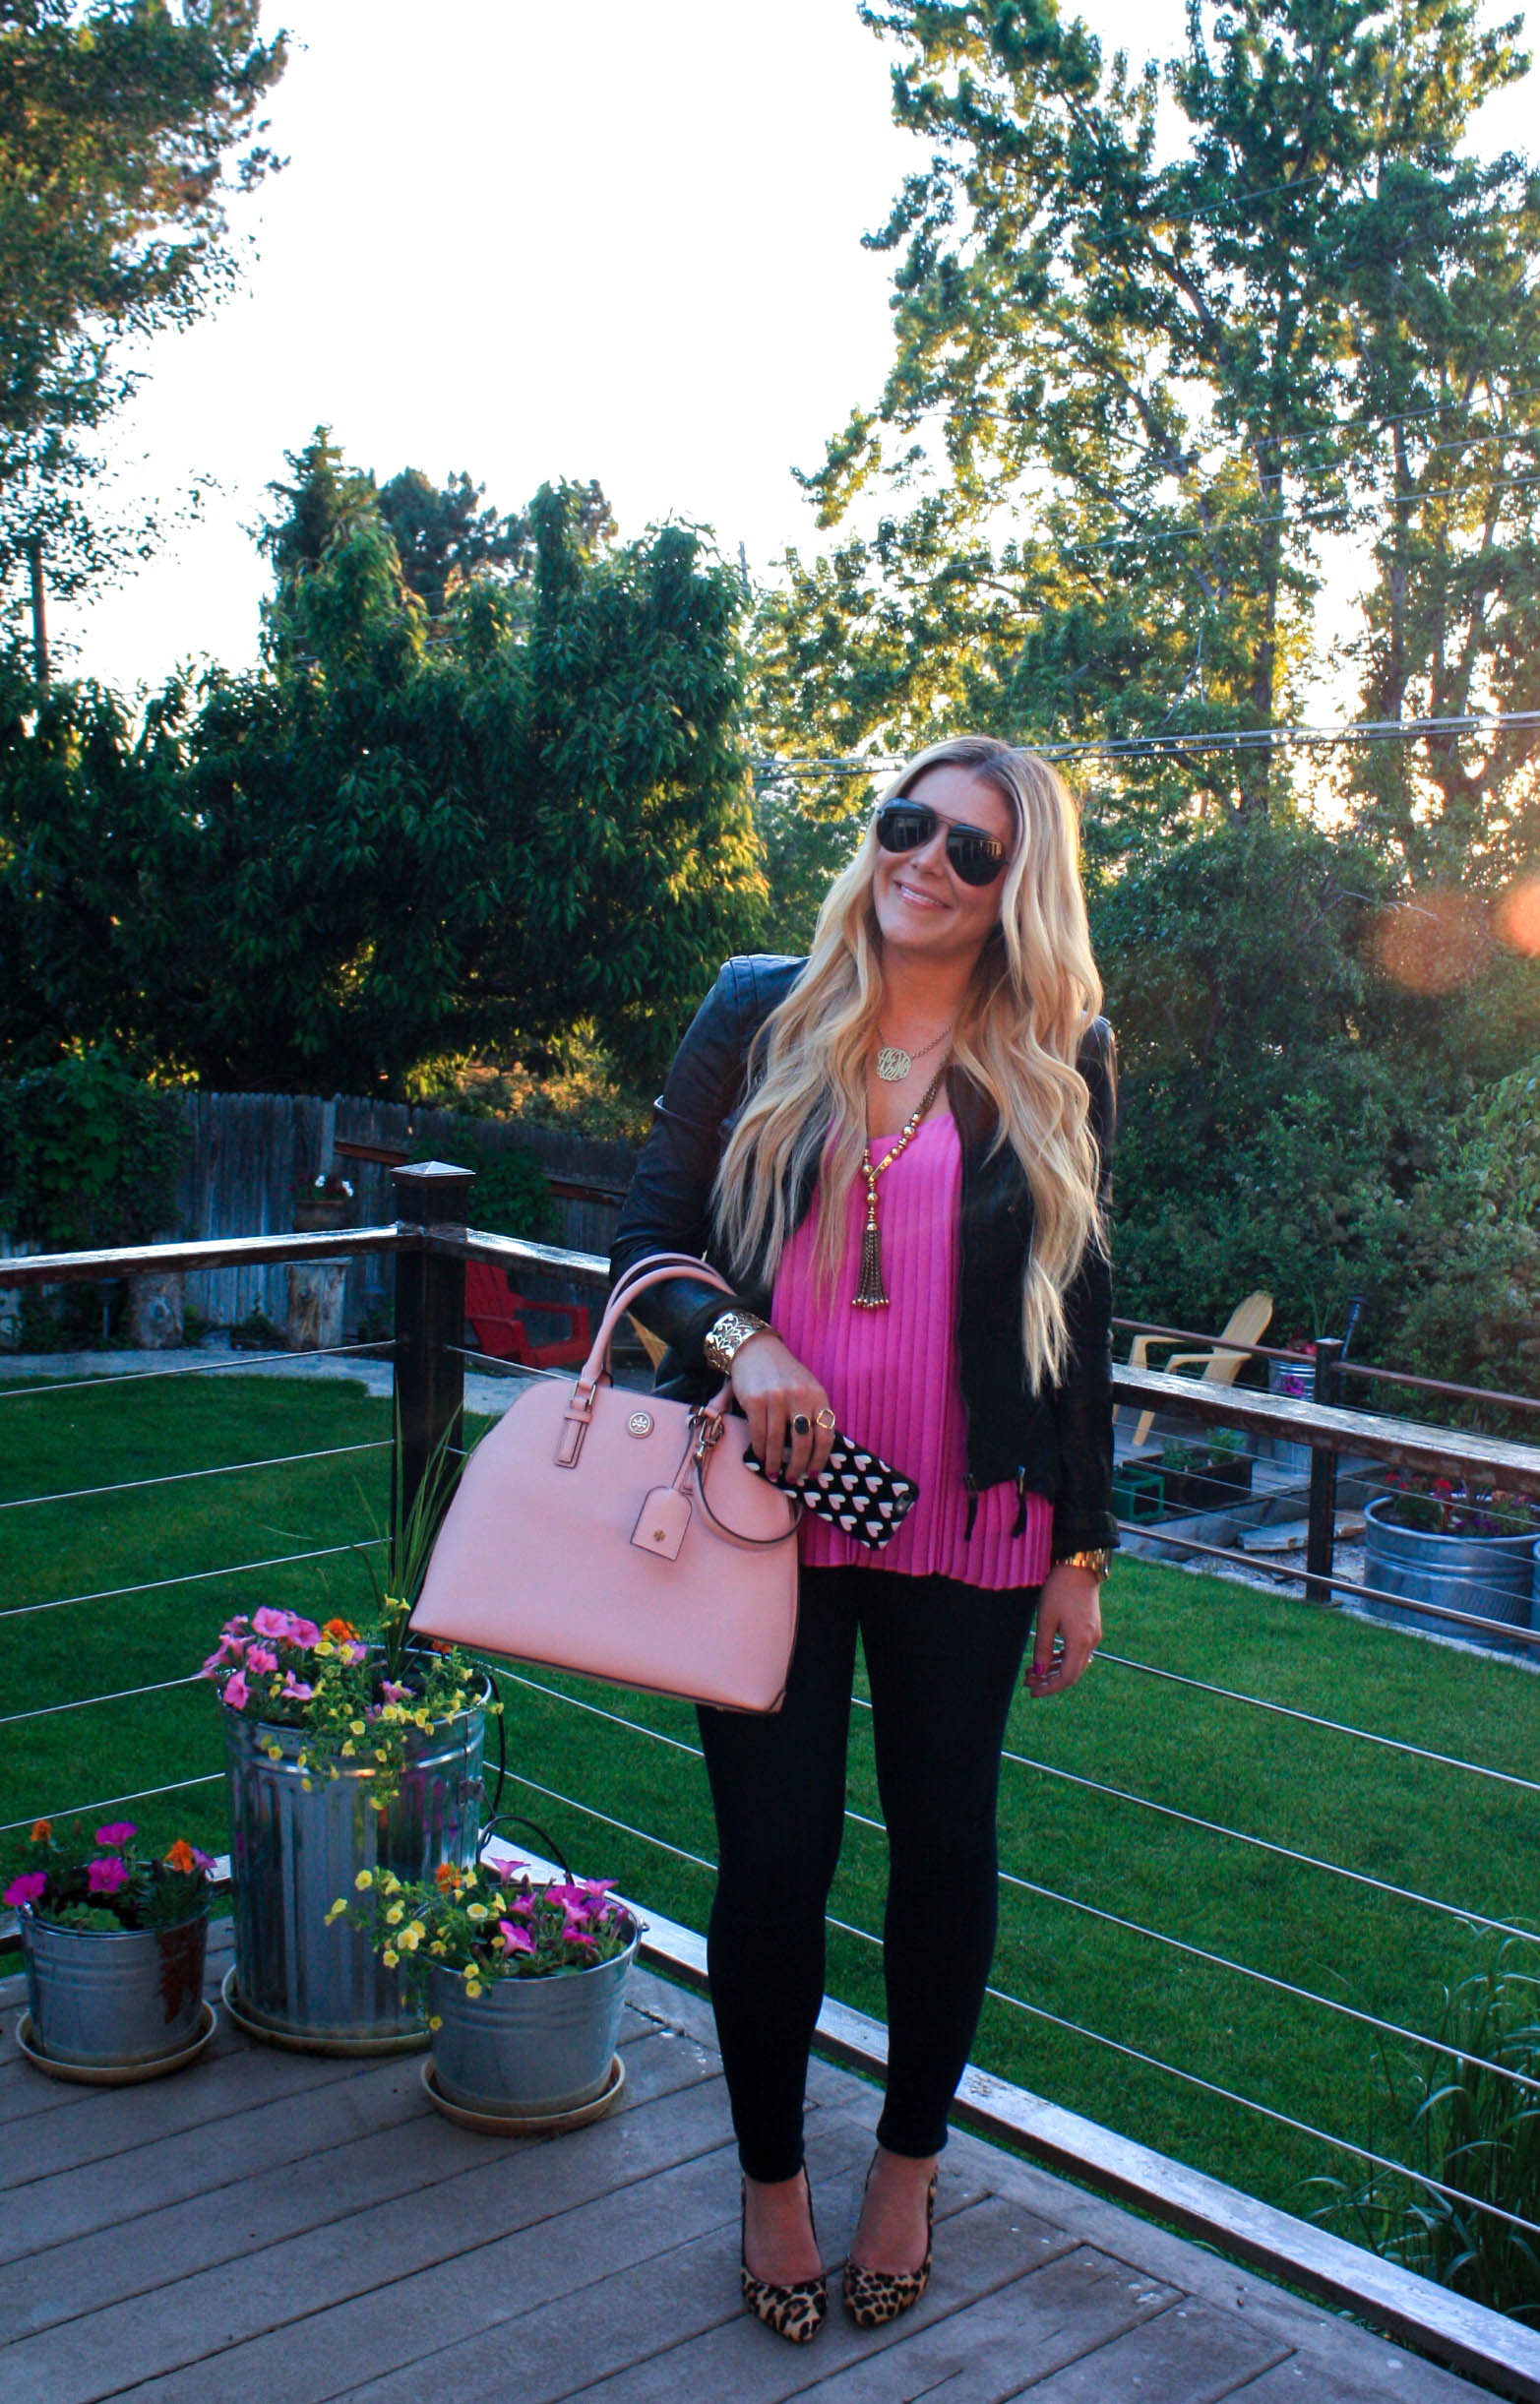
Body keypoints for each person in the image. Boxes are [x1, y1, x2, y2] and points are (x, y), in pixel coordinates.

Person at [610, 733, 1117, 2343]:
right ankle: (771, 2183)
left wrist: (1082, 1550)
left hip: (971, 1514)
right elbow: (646, 1241)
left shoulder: (1059, 1046)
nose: (928, 862)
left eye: (974, 849)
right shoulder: (756, 1009)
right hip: (764, 1506)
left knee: (941, 1847)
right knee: (773, 1859)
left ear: (1018, 885)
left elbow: (1079, 1311)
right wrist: (739, 1342)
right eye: (910, 824)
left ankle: (905, 2167)